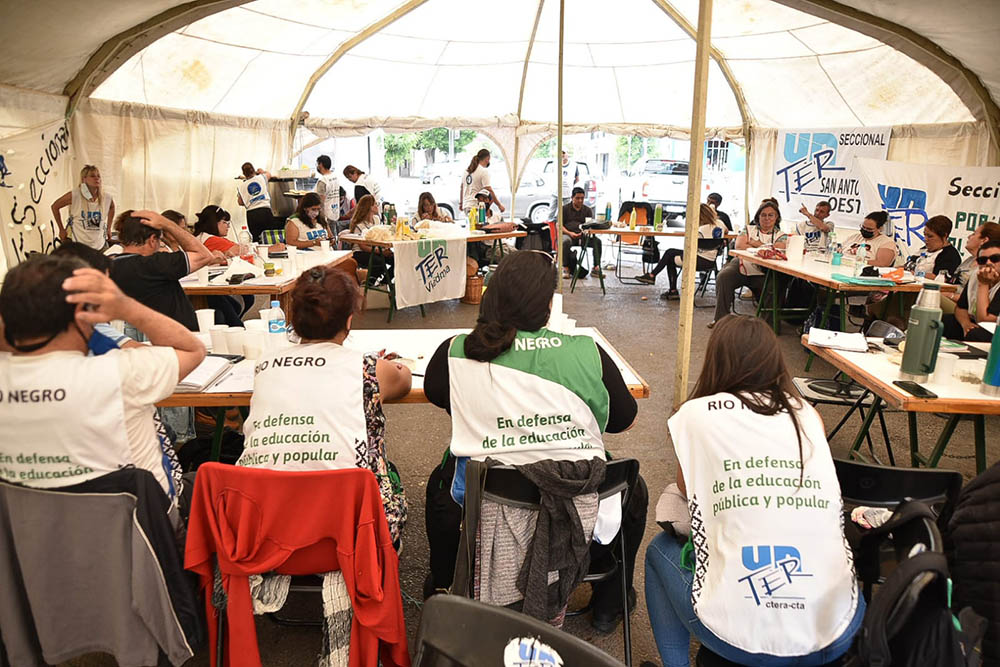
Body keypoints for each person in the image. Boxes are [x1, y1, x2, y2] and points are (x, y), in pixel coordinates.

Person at [423, 250, 646, 632]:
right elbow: (623, 420)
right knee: (634, 491)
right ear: (547, 306)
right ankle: (611, 600)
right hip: (577, 495)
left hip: (488, 497)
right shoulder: (586, 350)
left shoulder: (457, 351)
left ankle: (444, 586)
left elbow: (440, 397)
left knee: (440, 487)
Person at [645, 314, 863, 667]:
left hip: (739, 635)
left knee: (659, 552)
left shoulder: (695, 415)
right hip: (835, 628)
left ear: (714, 361)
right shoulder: (807, 414)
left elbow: (689, 490)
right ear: (775, 361)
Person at [0, 256, 205, 501]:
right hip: (142, 528)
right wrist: (128, 307)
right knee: (206, 478)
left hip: (29, 532)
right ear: (84, 313)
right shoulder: (119, 374)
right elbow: (192, 350)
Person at [236, 265, 410, 544]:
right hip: (353, 532)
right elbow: (404, 380)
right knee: (389, 476)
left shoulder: (265, 364)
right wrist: (385, 363)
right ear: (349, 321)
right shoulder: (367, 368)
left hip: (266, 528)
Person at [108, 210, 215, 331]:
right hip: (177, 339)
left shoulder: (108, 266)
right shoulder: (156, 264)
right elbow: (205, 256)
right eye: (160, 240)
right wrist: (167, 224)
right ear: (152, 240)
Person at [710, 200, 788, 328]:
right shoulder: (747, 229)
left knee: (774, 285)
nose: (767, 218)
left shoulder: (782, 235)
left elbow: (777, 251)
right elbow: (740, 246)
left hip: (764, 271)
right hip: (742, 264)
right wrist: (765, 248)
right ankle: (720, 320)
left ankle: (767, 326)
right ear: (758, 216)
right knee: (724, 276)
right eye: (763, 215)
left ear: (777, 217)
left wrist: (754, 243)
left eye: (770, 215)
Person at [637, 203, 726, 299]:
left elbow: (690, 249)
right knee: (670, 252)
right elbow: (727, 231)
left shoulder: (699, 230)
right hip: (711, 262)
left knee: (670, 257)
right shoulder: (720, 224)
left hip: (696, 261)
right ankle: (653, 276)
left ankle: (670, 288)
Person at [942, 239, 1000, 342]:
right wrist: (966, 324)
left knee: (976, 334)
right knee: (943, 322)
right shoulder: (976, 274)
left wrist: (983, 284)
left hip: (994, 329)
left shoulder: (983, 280)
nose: (988, 263)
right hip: (975, 321)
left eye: (995, 259)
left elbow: (985, 320)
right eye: (982, 260)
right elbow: (960, 308)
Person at [51, 165, 116, 249]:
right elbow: (55, 206)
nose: (97, 178)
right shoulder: (75, 195)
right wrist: (61, 229)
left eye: (98, 176)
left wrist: (109, 228)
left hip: (98, 243)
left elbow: (112, 208)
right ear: (84, 179)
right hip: (78, 242)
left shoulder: (107, 197)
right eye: (92, 176)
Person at [944, 221, 1000, 311]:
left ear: (984, 240)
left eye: (974, 234)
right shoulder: (969, 260)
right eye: (981, 260)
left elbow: (973, 299)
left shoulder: (987, 268)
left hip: (966, 307)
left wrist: (950, 295)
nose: (969, 236)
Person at [559, 187, 602, 279]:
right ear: (572, 198)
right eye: (577, 198)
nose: (580, 200)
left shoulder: (587, 210)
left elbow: (590, 225)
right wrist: (570, 233)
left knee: (597, 242)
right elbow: (559, 225)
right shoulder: (564, 209)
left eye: (582, 198)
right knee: (565, 242)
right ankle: (565, 267)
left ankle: (596, 267)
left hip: (582, 236)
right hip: (568, 234)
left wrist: (585, 232)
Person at [349, 194, 392, 284]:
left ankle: (384, 283)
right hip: (360, 252)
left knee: (395, 260)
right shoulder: (359, 224)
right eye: (375, 204)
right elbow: (363, 246)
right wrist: (381, 252)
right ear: (369, 207)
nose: (377, 206)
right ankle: (369, 283)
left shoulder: (376, 219)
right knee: (379, 262)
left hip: (376, 249)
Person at [909, 214, 962, 280]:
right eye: (924, 235)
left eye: (930, 236)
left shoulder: (950, 256)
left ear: (944, 236)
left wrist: (916, 274)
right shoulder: (923, 249)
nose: (926, 239)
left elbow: (938, 277)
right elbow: (908, 266)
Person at [460, 149, 504, 215]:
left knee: (471, 225)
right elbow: (489, 190)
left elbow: (462, 188)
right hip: (476, 206)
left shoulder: (466, 171)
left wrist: (461, 203)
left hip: (466, 205)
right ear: (487, 159)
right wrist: (499, 205)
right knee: (480, 225)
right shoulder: (483, 171)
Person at [236, 162, 273, 241]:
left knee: (256, 238)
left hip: (252, 214)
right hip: (265, 211)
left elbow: (240, 202)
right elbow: (269, 174)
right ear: (254, 170)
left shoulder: (242, 186)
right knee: (269, 236)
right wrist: (261, 171)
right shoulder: (261, 177)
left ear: (243, 173)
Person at [547, 150, 579, 221]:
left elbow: (577, 179)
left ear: (567, 154)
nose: (562, 155)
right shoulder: (555, 164)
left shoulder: (574, 165)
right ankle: (549, 228)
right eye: (561, 153)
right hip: (555, 192)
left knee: (565, 213)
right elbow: (550, 177)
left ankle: (564, 227)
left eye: (564, 153)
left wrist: (570, 185)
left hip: (567, 193)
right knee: (551, 212)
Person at [314, 154, 341, 223]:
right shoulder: (336, 177)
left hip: (326, 215)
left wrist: (320, 216)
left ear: (321, 165)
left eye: (318, 164)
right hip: (335, 213)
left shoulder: (323, 181)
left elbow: (320, 200)